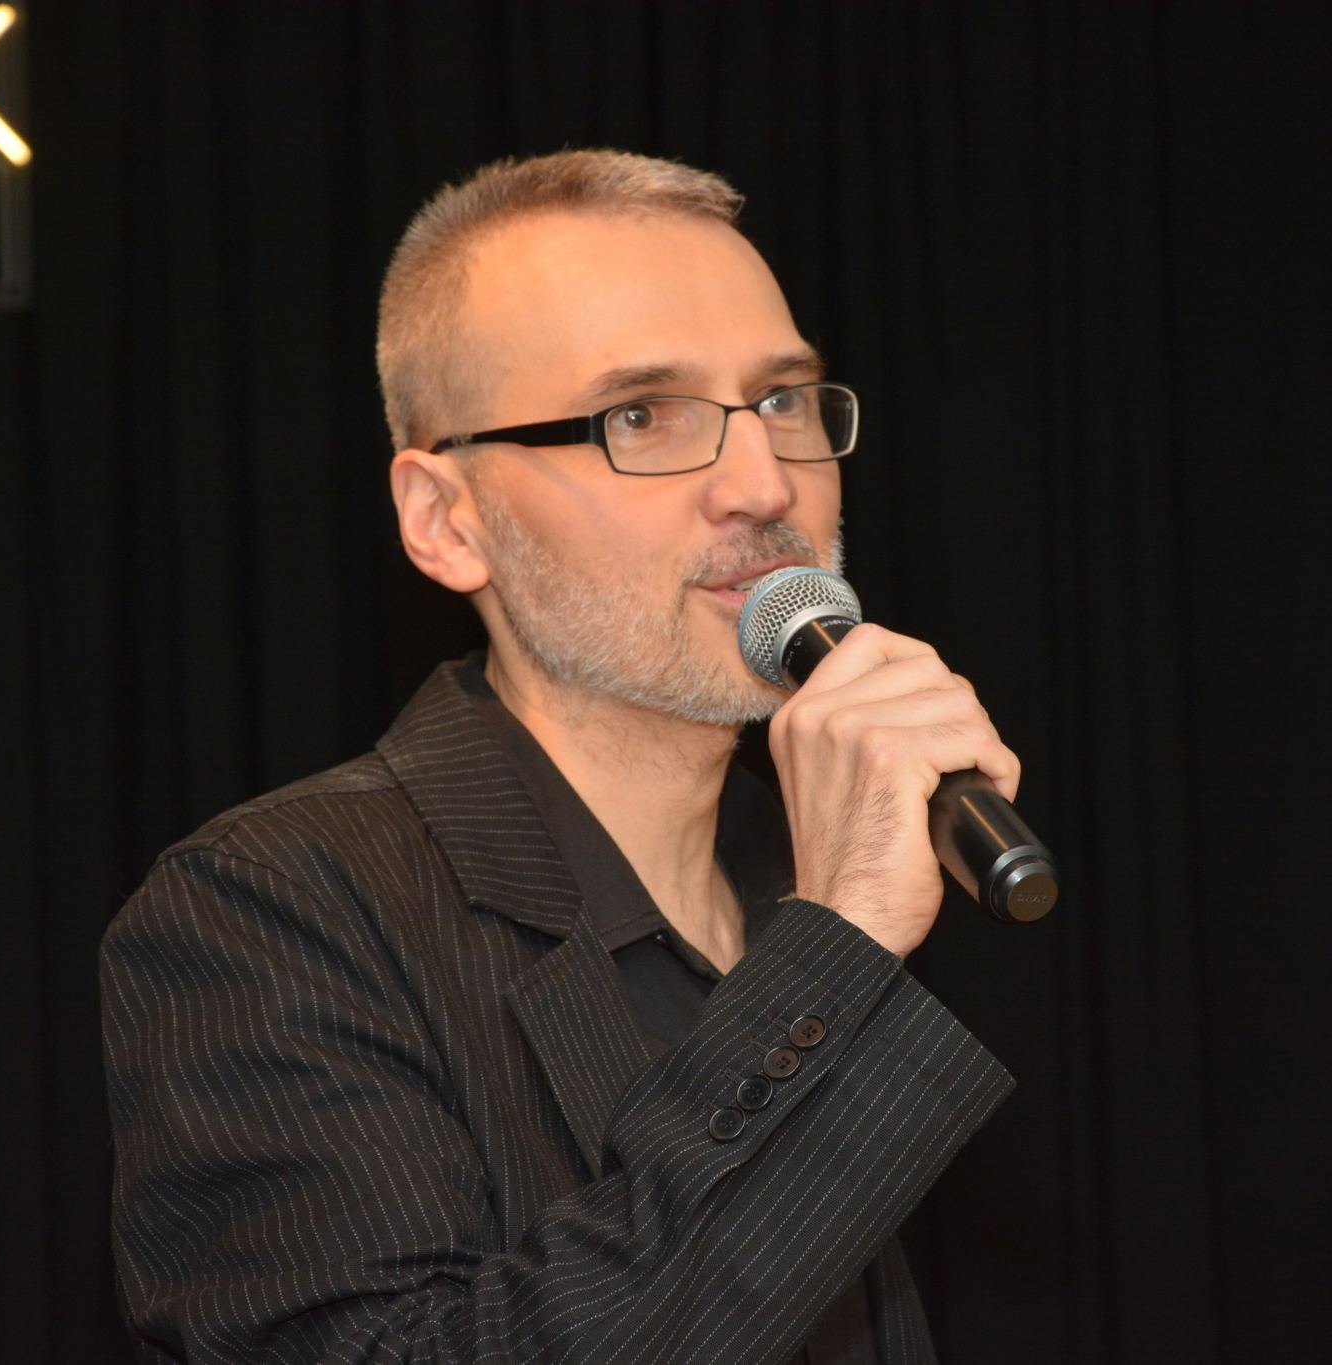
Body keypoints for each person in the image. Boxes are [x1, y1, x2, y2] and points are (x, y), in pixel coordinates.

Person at [101, 149, 1021, 1363]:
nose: (763, 486)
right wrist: (838, 942)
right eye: (640, 417)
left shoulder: (794, 865)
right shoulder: (272, 908)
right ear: (447, 521)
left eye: (783, 402)